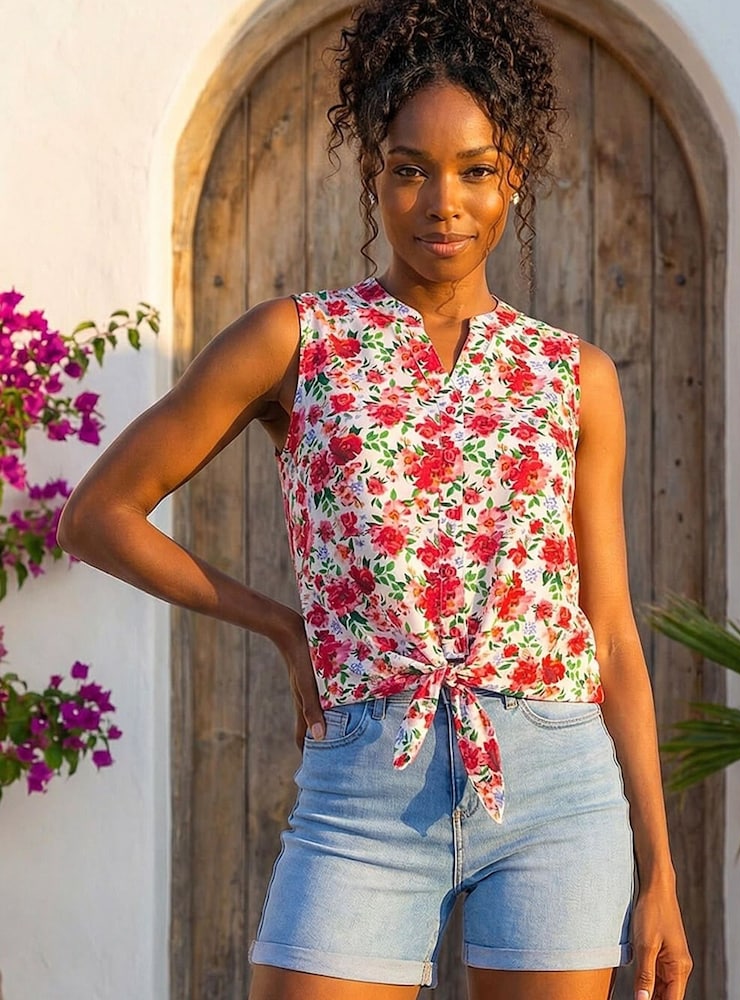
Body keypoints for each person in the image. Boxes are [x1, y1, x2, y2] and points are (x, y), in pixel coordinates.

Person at [58, 1, 693, 998]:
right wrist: (280, 624)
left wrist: (660, 872)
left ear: (514, 175)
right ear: (375, 175)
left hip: (553, 785)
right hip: (365, 790)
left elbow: (610, 631)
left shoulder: (575, 376)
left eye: (476, 170)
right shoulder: (296, 342)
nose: (445, 203)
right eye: (411, 169)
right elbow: (97, 516)